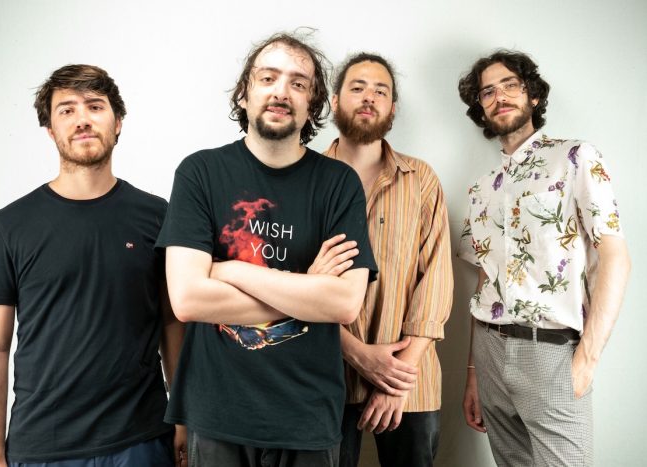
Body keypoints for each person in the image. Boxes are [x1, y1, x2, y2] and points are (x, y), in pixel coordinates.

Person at [155, 33, 378, 467]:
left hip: (307, 416)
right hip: (217, 412)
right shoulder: (200, 172)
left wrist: (229, 270)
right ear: (244, 93)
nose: (281, 91)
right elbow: (188, 299)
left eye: (298, 83)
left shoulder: (338, 184)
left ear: (313, 103)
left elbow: (343, 303)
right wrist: (307, 289)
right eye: (268, 78)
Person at [0, 64, 184, 467]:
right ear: (51, 131)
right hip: (44, 446)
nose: (82, 119)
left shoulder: (158, 216)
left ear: (118, 123)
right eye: (66, 110)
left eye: (95, 106)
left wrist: (183, 419)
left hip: (141, 439)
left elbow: (173, 324)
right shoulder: (8, 227)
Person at [457, 50, 631, 466]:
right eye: (487, 92)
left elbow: (615, 257)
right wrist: (474, 373)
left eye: (510, 85)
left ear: (533, 95)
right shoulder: (481, 188)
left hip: (552, 351)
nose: (499, 96)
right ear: (480, 108)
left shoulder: (575, 158)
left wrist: (587, 358)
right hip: (489, 350)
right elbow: (485, 280)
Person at [323, 53, 453, 467]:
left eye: (381, 91)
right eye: (357, 87)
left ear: (393, 107)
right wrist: (356, 353)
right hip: (323, 376)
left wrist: (396, 378)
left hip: (409, 382)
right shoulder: (305, 179)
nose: (369, 97)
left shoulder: (421, 179)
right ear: (334, 101)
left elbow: (436, 281)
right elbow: (289, 284)